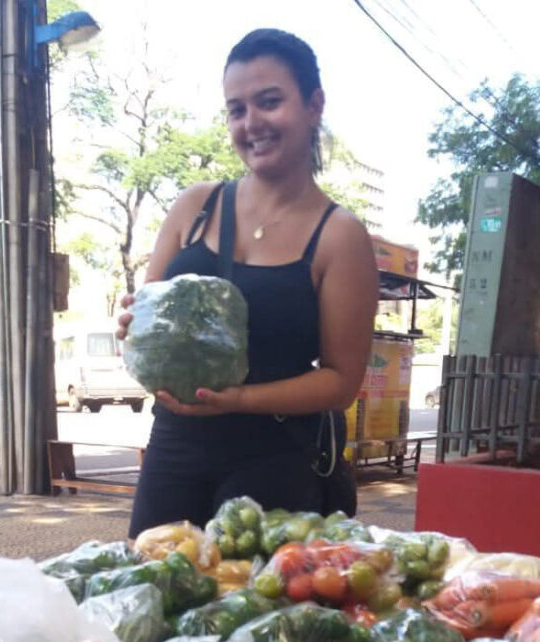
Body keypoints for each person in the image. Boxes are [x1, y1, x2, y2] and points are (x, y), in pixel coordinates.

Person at [118, 28, 378, 538]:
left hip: (274, 460)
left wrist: (237, 399)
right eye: (236, 109)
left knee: (248, 611)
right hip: (175, 447)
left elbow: (341, 382)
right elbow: (145, 313)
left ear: (313, 105)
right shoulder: (194, 207)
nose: (251, 123)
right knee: (149, 595)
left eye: (269, 102)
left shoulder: (339, 236)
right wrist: (132, 322)